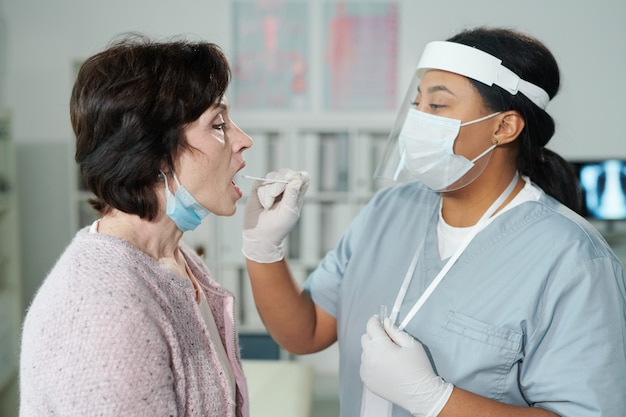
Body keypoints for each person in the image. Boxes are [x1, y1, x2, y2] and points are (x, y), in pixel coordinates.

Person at [241, 27, 626, 416]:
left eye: (438, 107)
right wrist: (263, 248)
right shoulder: (388, 211)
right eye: (416, 104)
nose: (418, 121)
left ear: (504, 126)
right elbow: (304, 333)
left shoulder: (573, 259)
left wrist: (436, 399)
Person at [20, 34, 253, 417]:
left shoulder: (177, 262)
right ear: (153, 152)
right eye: (218, 124)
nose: (243, 140)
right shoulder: (102, 312)